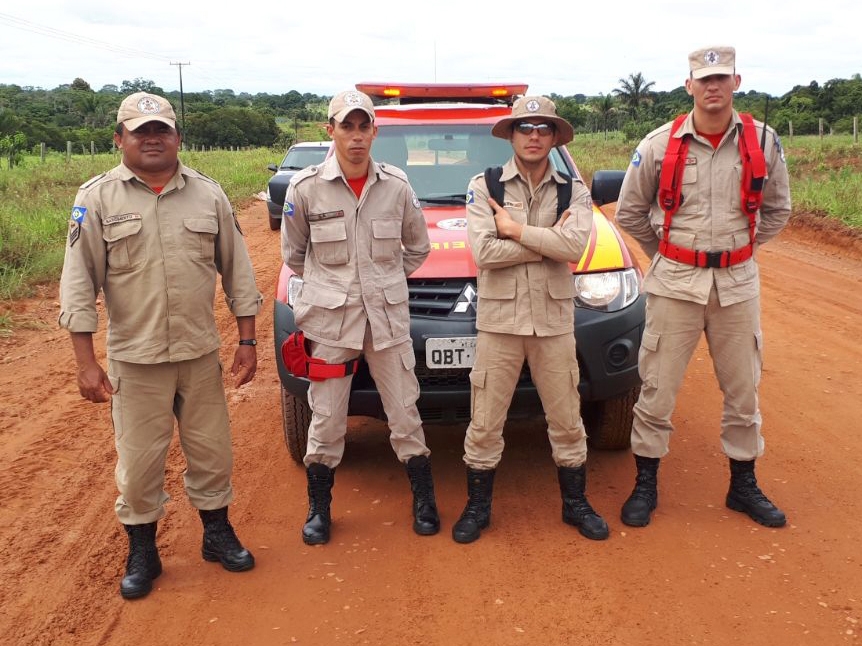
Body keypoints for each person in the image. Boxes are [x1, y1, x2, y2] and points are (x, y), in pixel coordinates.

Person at [58, 91, 262, 599]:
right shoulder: (97, 198)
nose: (152, 138)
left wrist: (247, 338)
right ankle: (143, 550)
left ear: (177, 136)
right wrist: (85, 361)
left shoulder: (208, 194)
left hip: (198, 354)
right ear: (119, 138)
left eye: (161, 129)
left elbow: (238, 269)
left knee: (212, 452)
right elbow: (78, 283)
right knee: (139, 462)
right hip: (136, 358)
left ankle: (217, 534)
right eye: (140, 130)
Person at [614, 46, 792, 528]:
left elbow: (778, 209)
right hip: (674, 284)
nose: (712, 87)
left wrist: (743, 251)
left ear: (736, 81)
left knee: (743, 391)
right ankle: (645, 484)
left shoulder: (764, 141)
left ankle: (743, 485)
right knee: (656, 389)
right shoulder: (658, 144)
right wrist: (669, 256)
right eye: (702, 79)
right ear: (688, 85)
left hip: (737, 285)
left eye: (720, 78)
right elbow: (630, 211)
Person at [281, 89, 439, 545]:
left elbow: (418, 246)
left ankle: (424, 499)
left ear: (374, 131)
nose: (355, 136)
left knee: (404, 410)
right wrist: (337, 289)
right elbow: (294, 255)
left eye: (363, 126)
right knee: (327, 415)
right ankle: (319, 509)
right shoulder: (305, 188)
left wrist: (385, 281)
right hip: (332, 323)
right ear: (329, 131)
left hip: (387, 320)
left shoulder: (396, 185)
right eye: (345, 126)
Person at [452, 95, 609, 544]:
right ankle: (478, 506)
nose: (534, 135)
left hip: (554, 322)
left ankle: (575, 504)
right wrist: (547, 241)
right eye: (526, 127)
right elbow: (483, 251)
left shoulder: (572, 189)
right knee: (485, 420)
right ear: (513, 135)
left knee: (566, 418)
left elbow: (576, 247)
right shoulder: (485, 186)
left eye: (543, 128)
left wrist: (516, 230)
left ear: (555, 136)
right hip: (499, 323)